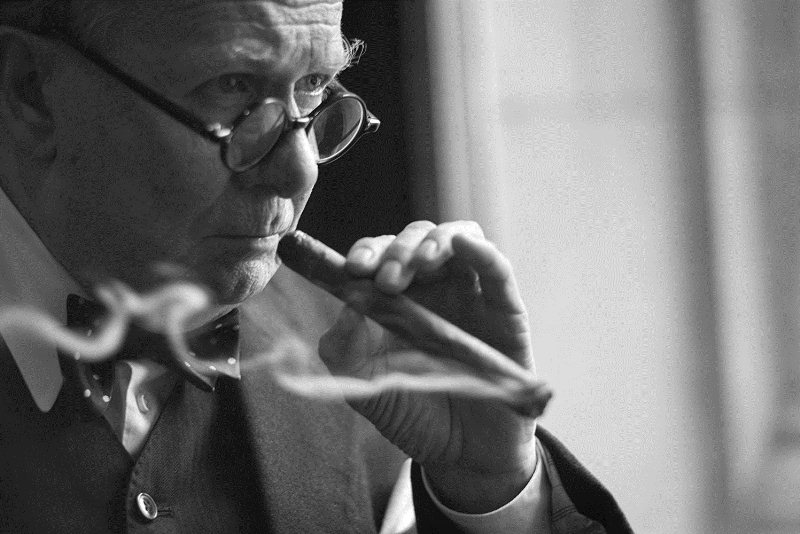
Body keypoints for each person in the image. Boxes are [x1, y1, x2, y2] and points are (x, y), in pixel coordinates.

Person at [0, 1, 631, 533]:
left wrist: (488, 488)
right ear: (30, 91)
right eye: (232, 88)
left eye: (313, 87)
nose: (300, 170)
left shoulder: (373, 369)